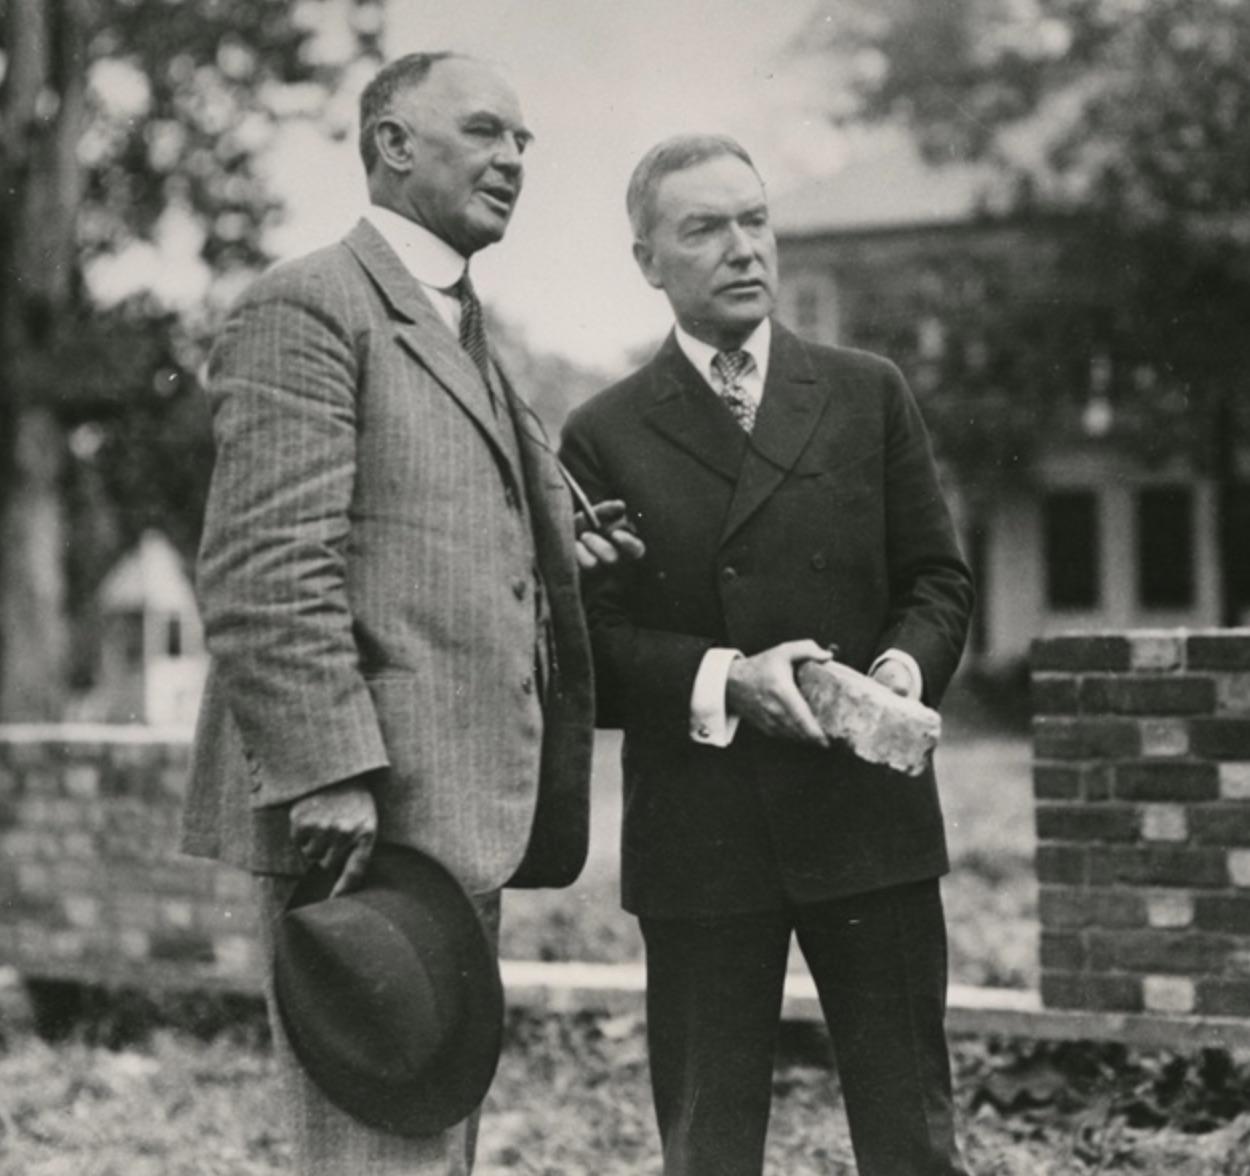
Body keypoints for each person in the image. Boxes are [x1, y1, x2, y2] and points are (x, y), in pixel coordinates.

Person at [180, 52, 640, 1175]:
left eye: (524, 143)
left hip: (453, 805)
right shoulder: (308, 305)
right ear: (390, 143)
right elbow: (262, 565)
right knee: (369, 1145)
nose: (513, 161)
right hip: (356, 816)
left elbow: (421, 536)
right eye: (485, 132)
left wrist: (547, 554)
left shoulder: (464, 328)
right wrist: (325, 771)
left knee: (428, 1139)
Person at [559, 134, 976, 1176]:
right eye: (704, 228)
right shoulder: (601, 433)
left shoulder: (863, 390)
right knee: (708, 1147)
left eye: (755, 220)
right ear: (647, 260)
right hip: (701, 839)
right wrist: (723, 683)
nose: (743, 249)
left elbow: (936, 580)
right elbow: (584, 649)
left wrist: (895, 677)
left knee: (911, 1139)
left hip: (866, 819)